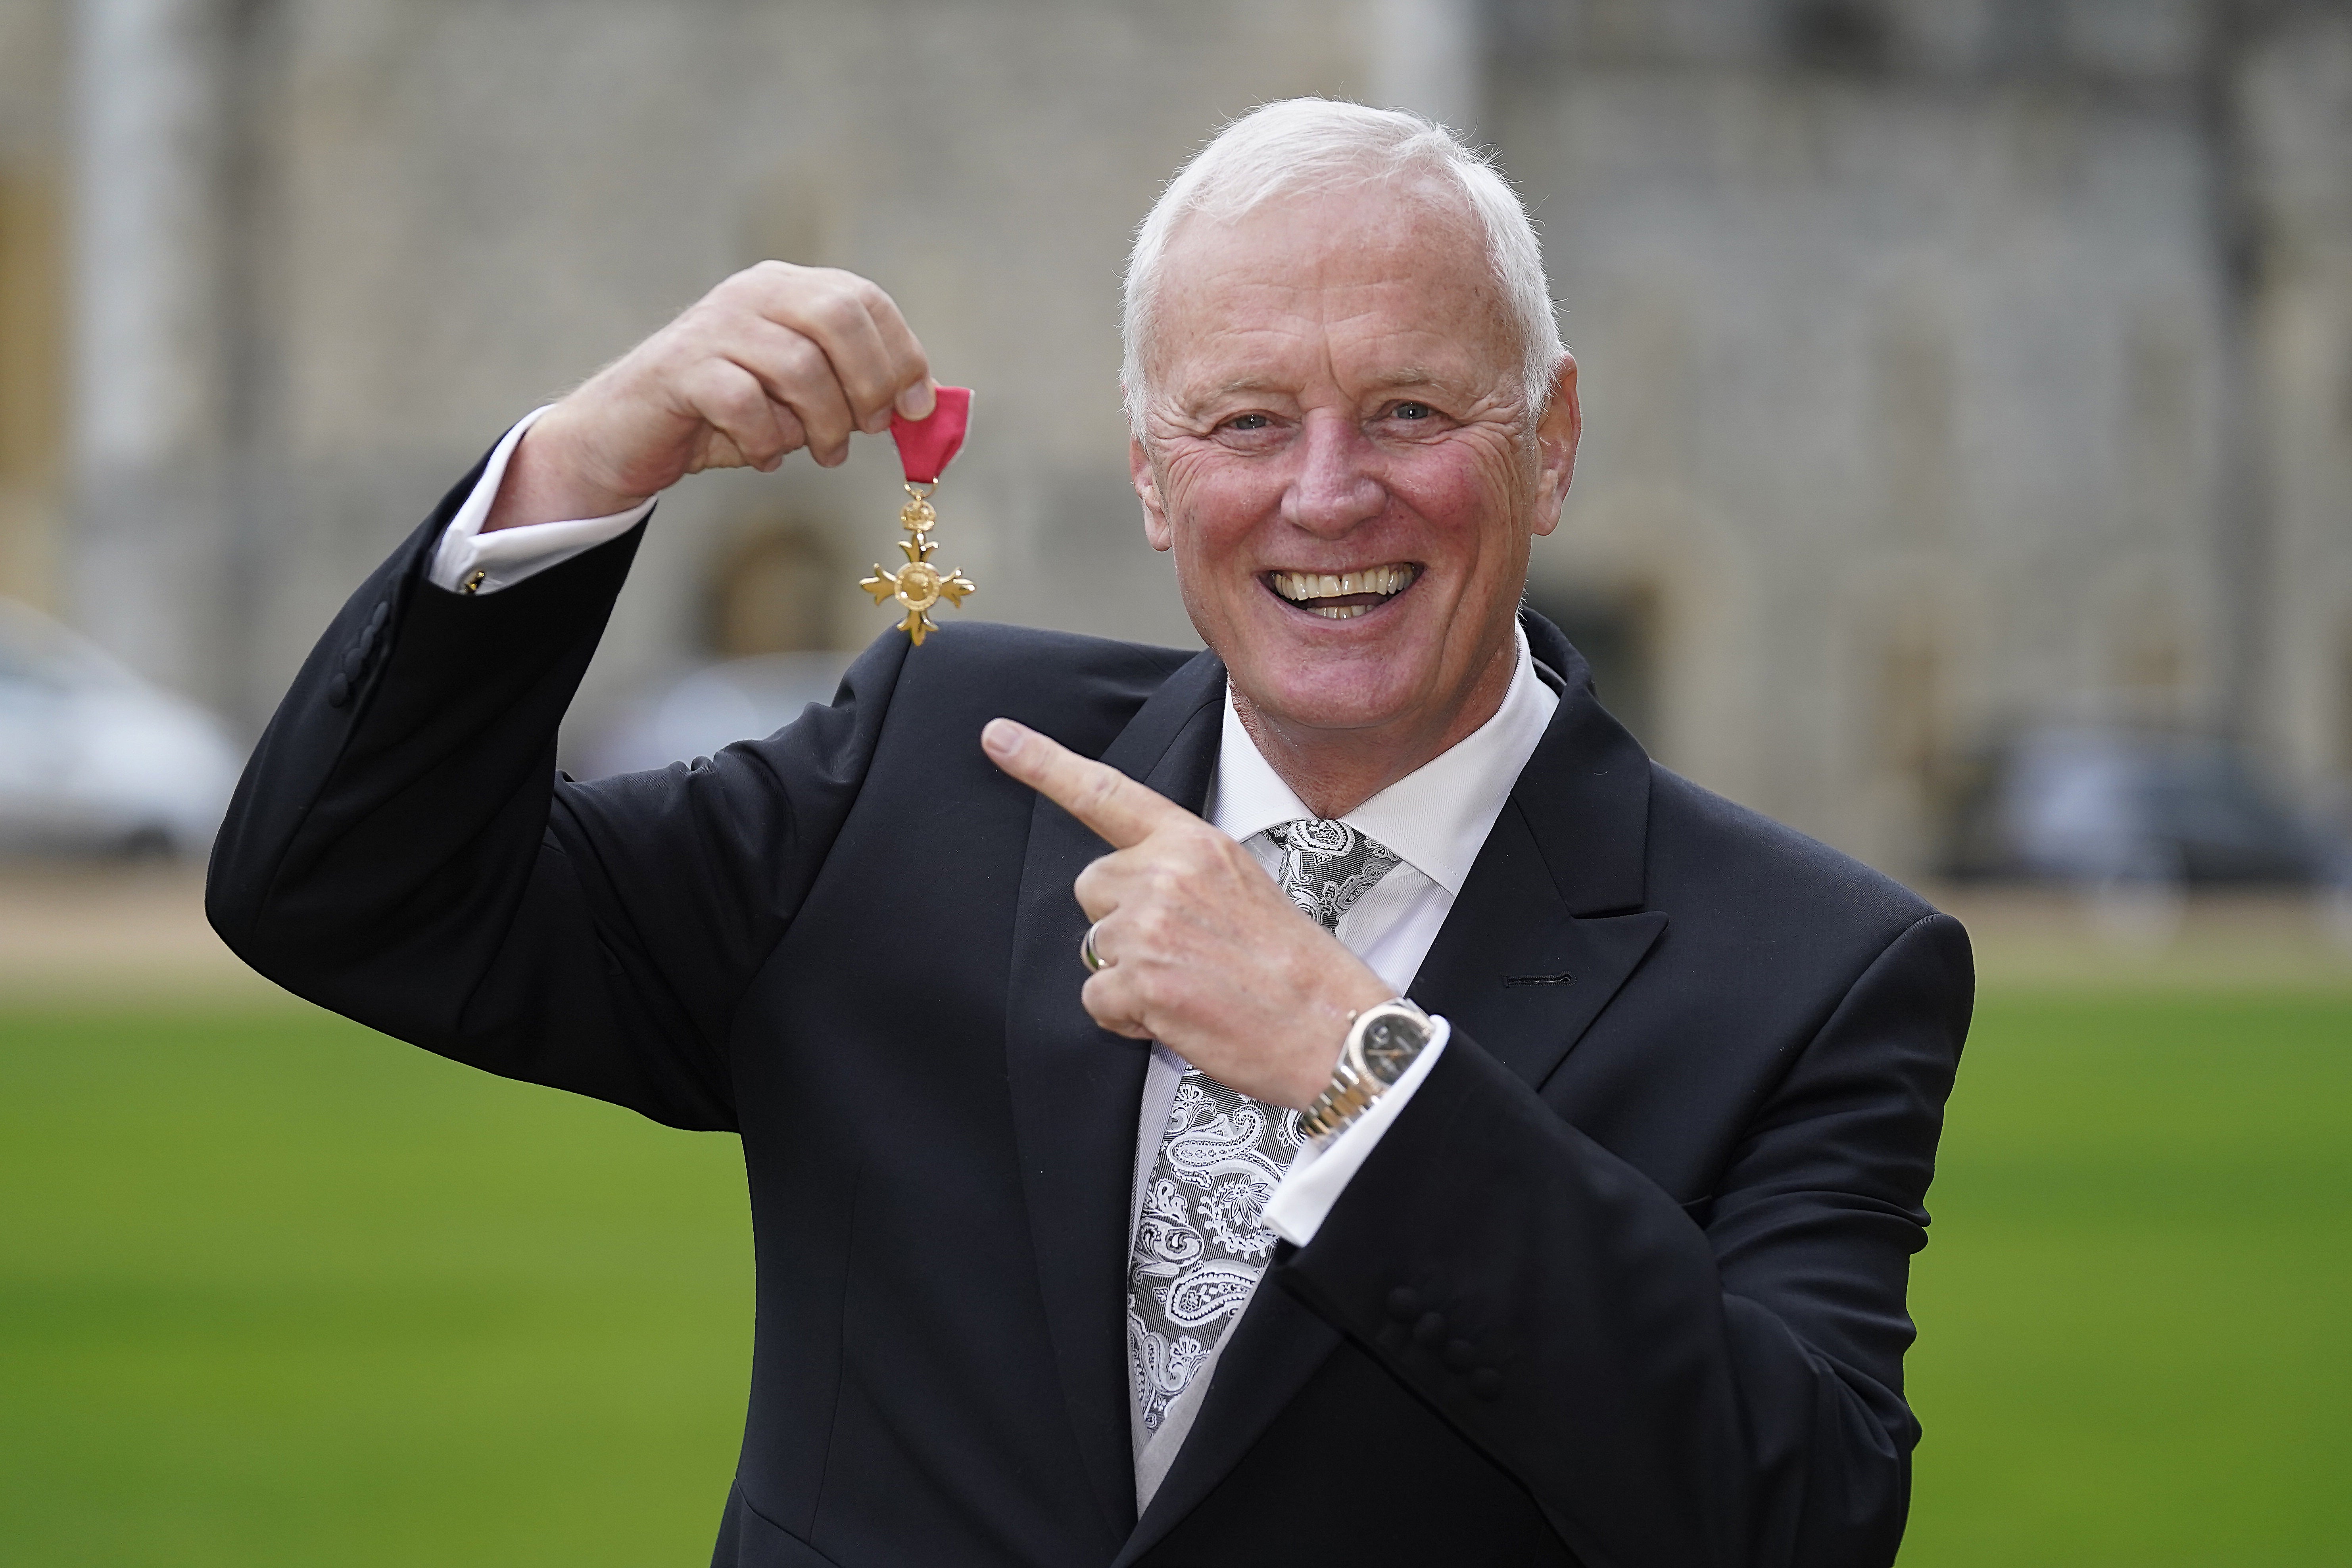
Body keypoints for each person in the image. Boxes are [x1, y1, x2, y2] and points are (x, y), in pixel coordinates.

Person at [209, 99, 1970, 1567]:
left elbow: (1792, 1511)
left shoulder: (1813, 970)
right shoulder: (928, 766)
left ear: (1554, 442)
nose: (1327, 491)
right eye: (1246, 421)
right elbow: (346, 888)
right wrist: (591, 461)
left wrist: (1354, 1066)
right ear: (1147, 471)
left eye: (1414, 411)